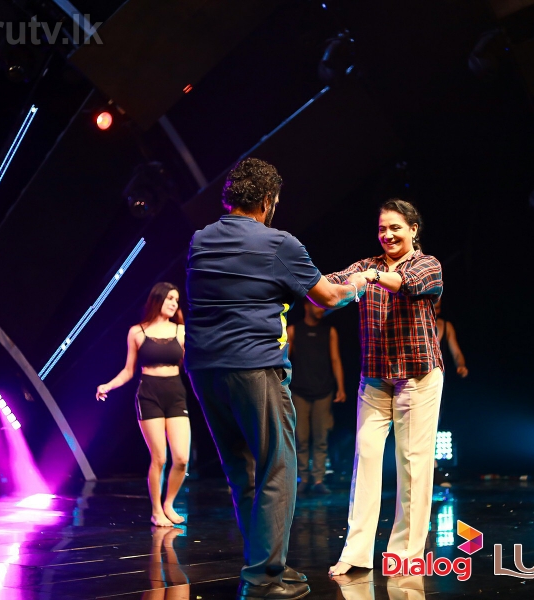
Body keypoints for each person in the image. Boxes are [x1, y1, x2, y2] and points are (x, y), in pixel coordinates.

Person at [185, 157, 367, 600]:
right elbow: (328, 298)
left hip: (205, 370)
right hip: (253, 367)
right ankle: (264, 579)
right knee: (278, 467)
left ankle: (264, 567)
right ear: (267, 201)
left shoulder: (200, 239)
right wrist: (360, 283)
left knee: (242, 471)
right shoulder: (278, 243)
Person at [326, 199, 444, 577]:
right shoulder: (366, 265)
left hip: (418, 375)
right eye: (382, 229)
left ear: (413, 229)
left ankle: (405, 553)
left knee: (412, 464)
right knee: (365, 459)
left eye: (395, 227)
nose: (388, 235)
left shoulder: (427, 264)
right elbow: (332, 284)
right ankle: (356, 552)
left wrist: (372, 278)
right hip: (375, 377)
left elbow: (407, 285)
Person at [97, 282, 190, 528]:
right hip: (149, 395)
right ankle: (156, 510)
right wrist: (108, 385)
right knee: (159, 457)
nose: (174, 303)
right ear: (158, 299)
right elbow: (129, 371)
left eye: (176, 300)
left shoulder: (181, 331)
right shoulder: (137, 332)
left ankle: (169, 503)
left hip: (176, 394)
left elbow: (192, 363)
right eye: (170, 298)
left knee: (182, 458)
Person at [287, 299, 345, 495]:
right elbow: (285, 361)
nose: (321, 309)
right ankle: (304, 478)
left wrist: (341, 388)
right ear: (307, 306)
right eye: (317, 305)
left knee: (321, 437)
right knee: (301, 438)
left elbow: (335, 360)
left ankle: (318, 478)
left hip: (323, 391)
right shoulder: (293, 330)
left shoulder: (329, 331)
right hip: (299, 391)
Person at [436, 298, 468, 379]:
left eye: (437, 308)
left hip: (440, 380)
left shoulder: (447, 326)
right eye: (433, 308)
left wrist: (461, 365)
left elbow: (456, 354)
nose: (436, 312)